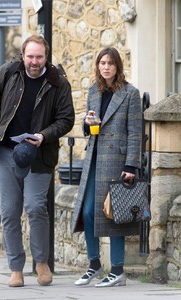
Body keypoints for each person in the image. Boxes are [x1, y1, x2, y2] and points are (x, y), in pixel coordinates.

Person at [0, 35, 75, 287]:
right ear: (23, 55)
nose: (34, 62)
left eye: (39, 57)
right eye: (30, 56)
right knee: (10, 212)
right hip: (7, 152)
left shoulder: (58, 83)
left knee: (35, 207)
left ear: (46, 57)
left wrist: (44, 135)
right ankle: (16, 268)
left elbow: (66, 119)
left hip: (39, 155)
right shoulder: (9, 72)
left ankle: (41, 263)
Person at [71, 47, 142, 287]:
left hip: (117, 162)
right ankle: (94, 265)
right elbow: (89, 127)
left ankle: (118, 270)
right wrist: (87, 123)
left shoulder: (130, 94)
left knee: (115, 214)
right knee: (88, 211)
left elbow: (135, 132)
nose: (106, 67)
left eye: (111, 63)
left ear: (118, 66)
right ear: (98, 66)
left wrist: (131, 165)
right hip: (95, 159)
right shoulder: (94, 90)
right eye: (102, 62)